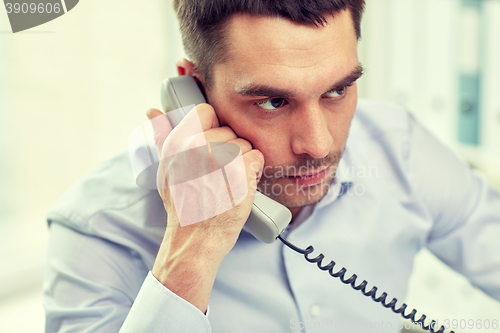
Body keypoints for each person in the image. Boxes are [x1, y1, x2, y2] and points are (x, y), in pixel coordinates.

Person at [43, 0, 500, 332]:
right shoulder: (97, 227)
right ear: (193, 94)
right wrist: (194, 245)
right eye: (273, 101)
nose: (318, 144)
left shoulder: (398, 147)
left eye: (337, 91)